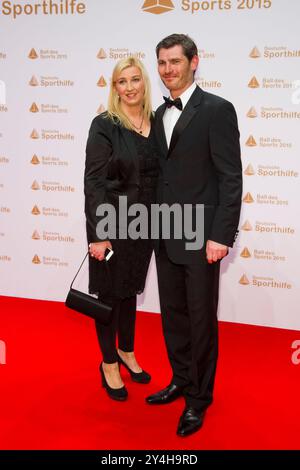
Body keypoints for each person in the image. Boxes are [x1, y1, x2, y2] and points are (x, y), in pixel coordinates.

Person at [146, 34, 243, 436]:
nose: (168, 69)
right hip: (165, 233)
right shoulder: (156, 114)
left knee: (202, 320)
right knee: (174, 317)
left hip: (202, 237)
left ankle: (199, 399)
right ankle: (181, 379)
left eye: (175, 61)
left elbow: (230, 177)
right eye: (162, 63)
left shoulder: (218, 110)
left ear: (194, 62)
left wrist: (220, 235)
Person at [84, 57, 159, 401]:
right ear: (114, 87)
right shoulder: (105, 125)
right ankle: (109, 362)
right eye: (121, 82)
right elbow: (94, 182)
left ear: (144, 83)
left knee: (129, 291)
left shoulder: (156, 122)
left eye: (135, 80)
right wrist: (98, 233)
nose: (129, 87)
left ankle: (127, 351)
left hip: (145, 226)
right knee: (109, 294)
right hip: (112, 224)